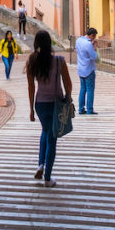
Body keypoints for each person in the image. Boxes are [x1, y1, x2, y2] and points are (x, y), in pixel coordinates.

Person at [26, 30, 72, 187]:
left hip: (40, 104)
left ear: (36, 43)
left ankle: (40, 164)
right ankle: (47, 178)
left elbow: (31, 87)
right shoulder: (59, 61)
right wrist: (68, 98)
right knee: (52, 139)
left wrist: (31, 109)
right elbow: (68, 83)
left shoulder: (32, 61)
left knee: (45, 131)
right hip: (55, 103)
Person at [75, 27, 99, 115]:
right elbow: (94, 57)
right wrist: (94, 47)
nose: (94, 38)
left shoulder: (78, 41)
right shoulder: (88, 44)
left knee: (82, 89)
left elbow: (77, 50)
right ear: (92, 35)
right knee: (90, 89)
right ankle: (89, 109)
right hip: (89, 69)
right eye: (94, 36)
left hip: (81, 68)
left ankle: (81, 109)